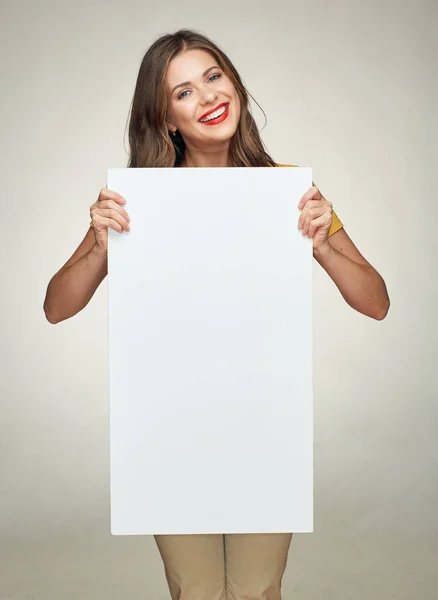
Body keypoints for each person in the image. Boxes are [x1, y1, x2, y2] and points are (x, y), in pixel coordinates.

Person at [43, 28, 390, 600]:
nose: (207, 97)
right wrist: (102, 246)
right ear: (166, 120)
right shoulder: (137, 202)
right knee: (196, 591)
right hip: (170, 430)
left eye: (213, 77)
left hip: (265, 427)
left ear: (234, 82)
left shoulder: (292, 193)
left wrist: (322, 241)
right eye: (183, 92)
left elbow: (375, 302)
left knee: (256, 589)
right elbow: (58, 307)